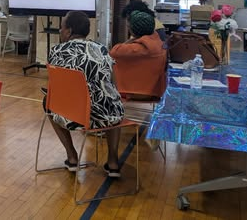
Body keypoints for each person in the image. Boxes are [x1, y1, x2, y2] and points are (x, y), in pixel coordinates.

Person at [45, 11, 125, 178]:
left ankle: (72, 156)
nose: (60, 31)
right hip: (106, 116)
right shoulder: (103, 50)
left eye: (61, 28)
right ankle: (113, 161)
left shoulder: (56, 51)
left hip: (75, 116)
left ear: (69, 31)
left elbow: (55, 86)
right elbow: (113, 85)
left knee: (48, 101)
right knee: (112, 100)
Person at [110, 10, 166, 99]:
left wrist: (132, 38)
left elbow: (113, 52)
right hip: (154, 94)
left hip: (128, 94)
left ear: (133, 31)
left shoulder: (129, 50)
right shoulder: (160, 45)